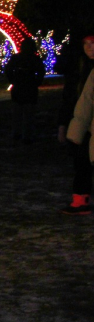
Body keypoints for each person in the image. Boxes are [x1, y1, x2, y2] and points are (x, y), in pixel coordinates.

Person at [59, 33, 94, 215]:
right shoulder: (80, 68)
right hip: (83, 124)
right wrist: (65, 125)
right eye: (86, 43)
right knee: (81, 163)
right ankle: (80, 200)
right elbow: (75, 99)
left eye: (92, 43)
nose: (89, 47)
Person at [4, 37, 45, 143]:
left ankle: (17, 133)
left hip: (19, 86)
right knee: (29, 112)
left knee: (17, 112)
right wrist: (37, 82)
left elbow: (8, 69)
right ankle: (27, 134)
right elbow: (41, 71)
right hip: (30, 86)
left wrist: (12, 80)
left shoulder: (17, 58)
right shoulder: (34, 58)